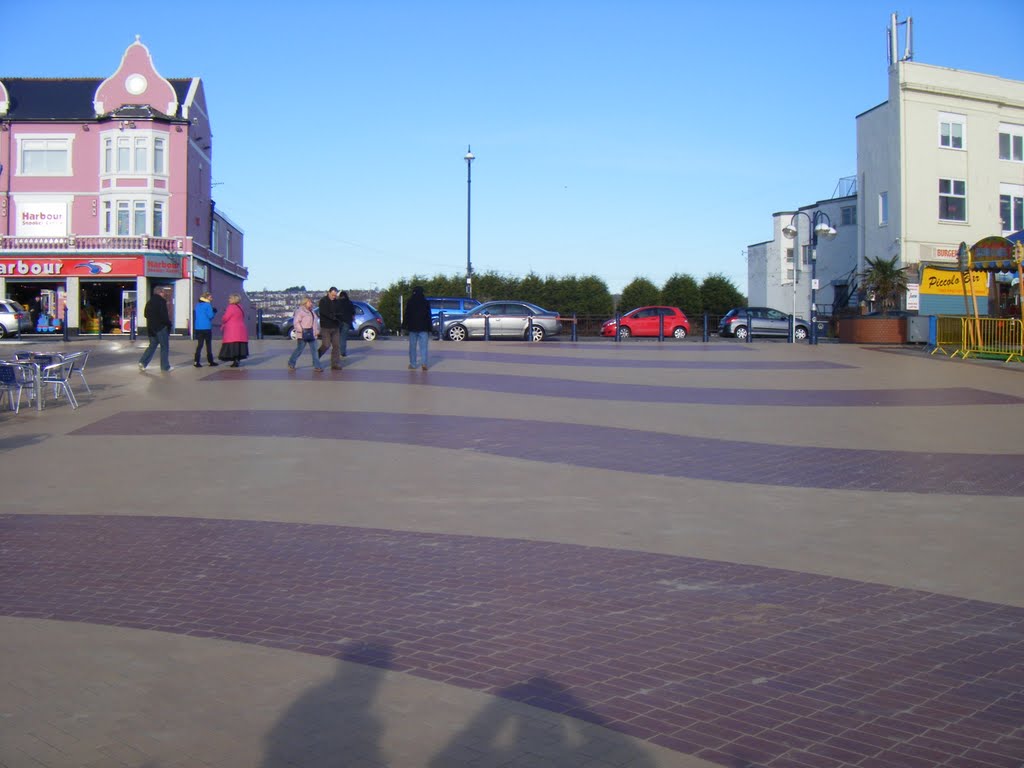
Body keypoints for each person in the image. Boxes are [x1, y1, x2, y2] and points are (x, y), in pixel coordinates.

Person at [138, 287, 172, 372]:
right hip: (161, 327)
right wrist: (168, 324)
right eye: (163, 292)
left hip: (151, 328)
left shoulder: (149, 302)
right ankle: (165, 366)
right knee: (164, 346)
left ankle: (143, 362)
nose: (165, 294)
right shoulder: (161, 302)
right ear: (160, 292)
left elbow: (145, 314)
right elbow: (164, 316)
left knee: (152, 345)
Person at [288, 297, 323, 372]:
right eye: (309, 302)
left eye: (311, 302)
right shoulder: (300, 311)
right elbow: (296, 322)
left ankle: (317, 366)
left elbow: (315, 322)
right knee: (299, 349)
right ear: (305, 303)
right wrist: (301, 330)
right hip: (303, 334)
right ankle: (291, 362)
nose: (311, 303)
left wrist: (316, 331)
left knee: (314, 350)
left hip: (312, 334)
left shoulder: (312, 311)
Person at [402, 286, 432, 371]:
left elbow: (406, 315)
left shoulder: (410, 302)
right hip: (424, 328)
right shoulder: (426, 302)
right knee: (424, 347)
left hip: (413, 327)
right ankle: (424, 363)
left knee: (412, 347)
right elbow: (428, 316)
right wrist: (430, 328)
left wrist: (404, 325)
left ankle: (413, 364)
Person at [217, 293, 249, 368]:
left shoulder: (231, 307)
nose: (229, 300)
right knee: (238, 346)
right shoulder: (240, 307)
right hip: (241, 329)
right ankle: (237, 360)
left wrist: (222, 320)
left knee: (232, 346)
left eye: (230, 298)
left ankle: (234, 360)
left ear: (234, 299)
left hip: (232, 329)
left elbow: (225, 318)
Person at [316, 287, 343, 370]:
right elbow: (324, 313)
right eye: (332, 295)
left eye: (335, 295)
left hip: (335, 327)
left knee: (336, 346)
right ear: (329, 293)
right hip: (326, 327)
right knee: (326, 345)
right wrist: (333, 316)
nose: (334, 297)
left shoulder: (337, 302)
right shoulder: (323, 301)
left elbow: (340, 312)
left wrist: (339, 318)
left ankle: (335, 364)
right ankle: (316, 357)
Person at [193, 291, 219, 368]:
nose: (212, 298)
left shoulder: (197, 305)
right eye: (210, 297)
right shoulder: (208, 305)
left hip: (198, 327)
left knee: (199, 345)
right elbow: (210, 316)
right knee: (208, 345)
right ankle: (210, 361)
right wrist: (214, 312)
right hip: (206, 327)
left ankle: (196, 361)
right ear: (207, 297)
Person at [336, 290, 356, 358]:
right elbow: (353, 312)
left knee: (337, 337)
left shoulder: (337, 302)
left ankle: (336, 351)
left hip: (338, 322)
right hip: (347, 322)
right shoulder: (349, 303)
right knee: (343, 338)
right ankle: (343, 352)